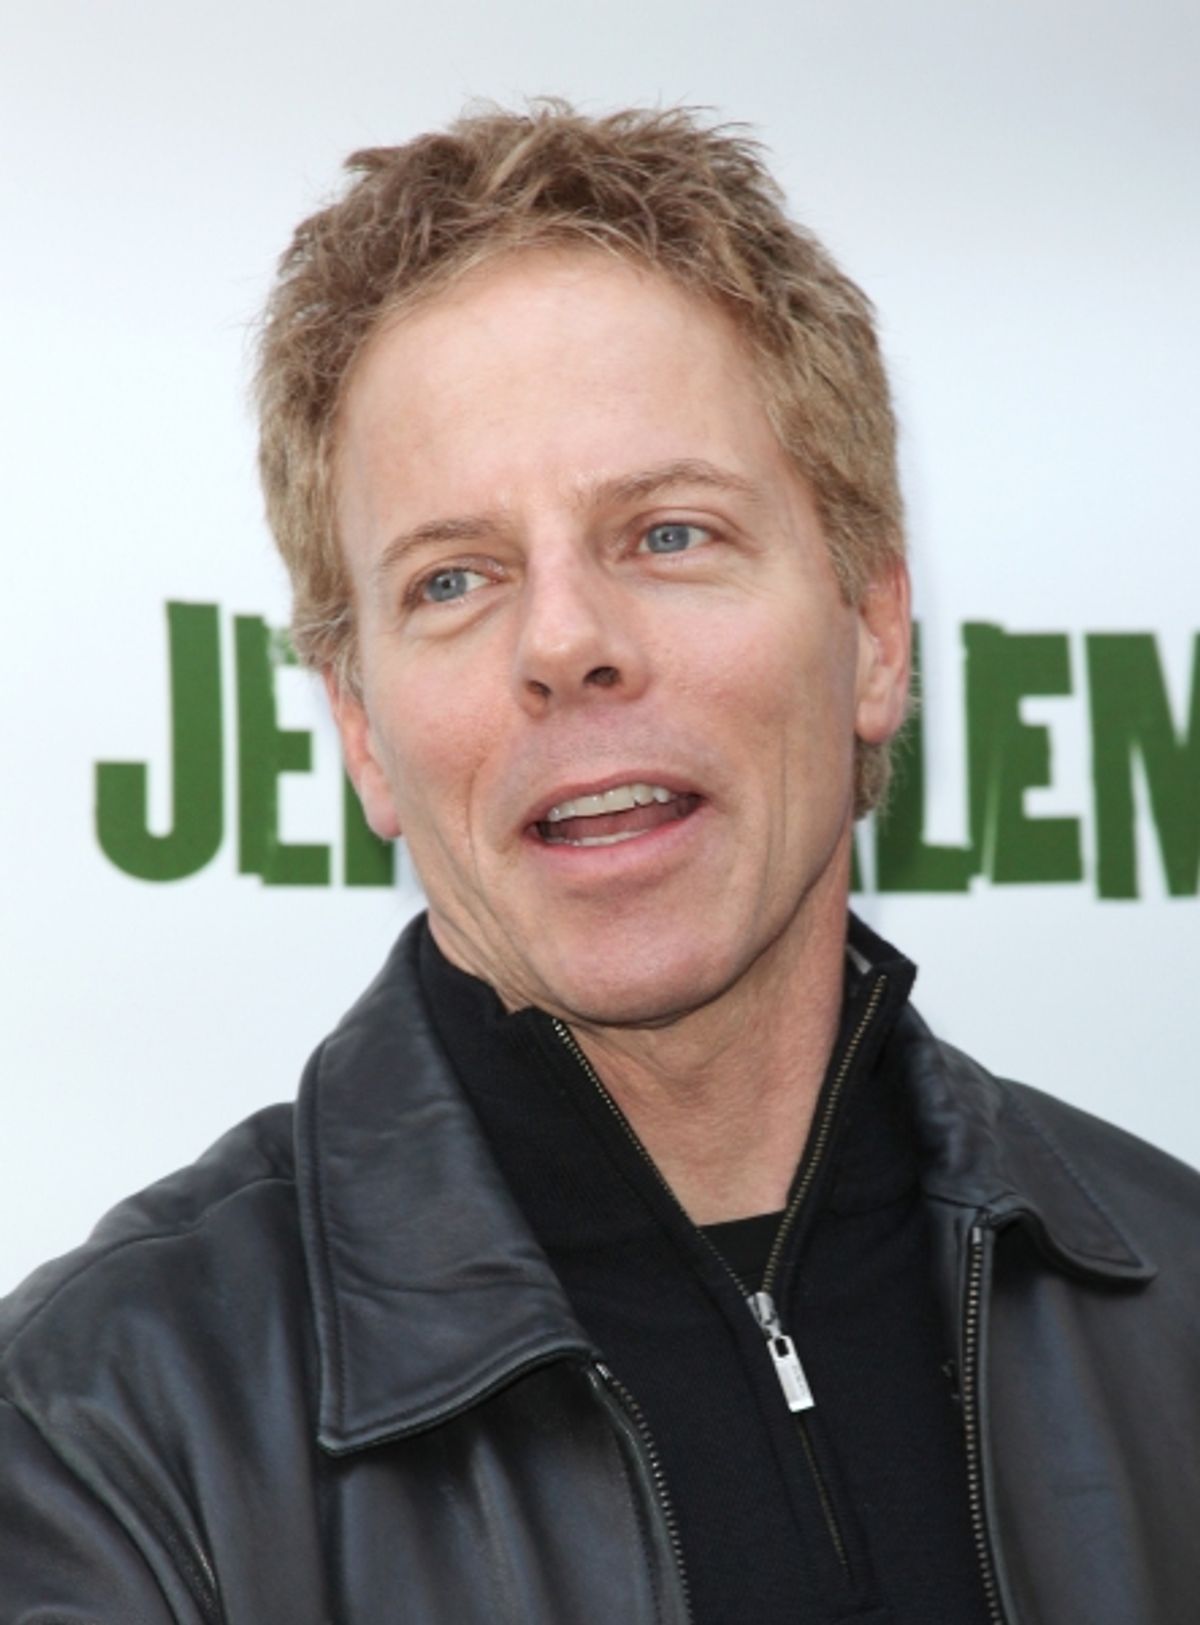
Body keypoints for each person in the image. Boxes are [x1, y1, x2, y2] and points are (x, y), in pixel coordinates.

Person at [1, 102, 1197, 1625]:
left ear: (874, 633)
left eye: (670, 534)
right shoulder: (103, 1441)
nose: (564, 641)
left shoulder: (1176, 1305)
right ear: (362, 728)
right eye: (454, 577)